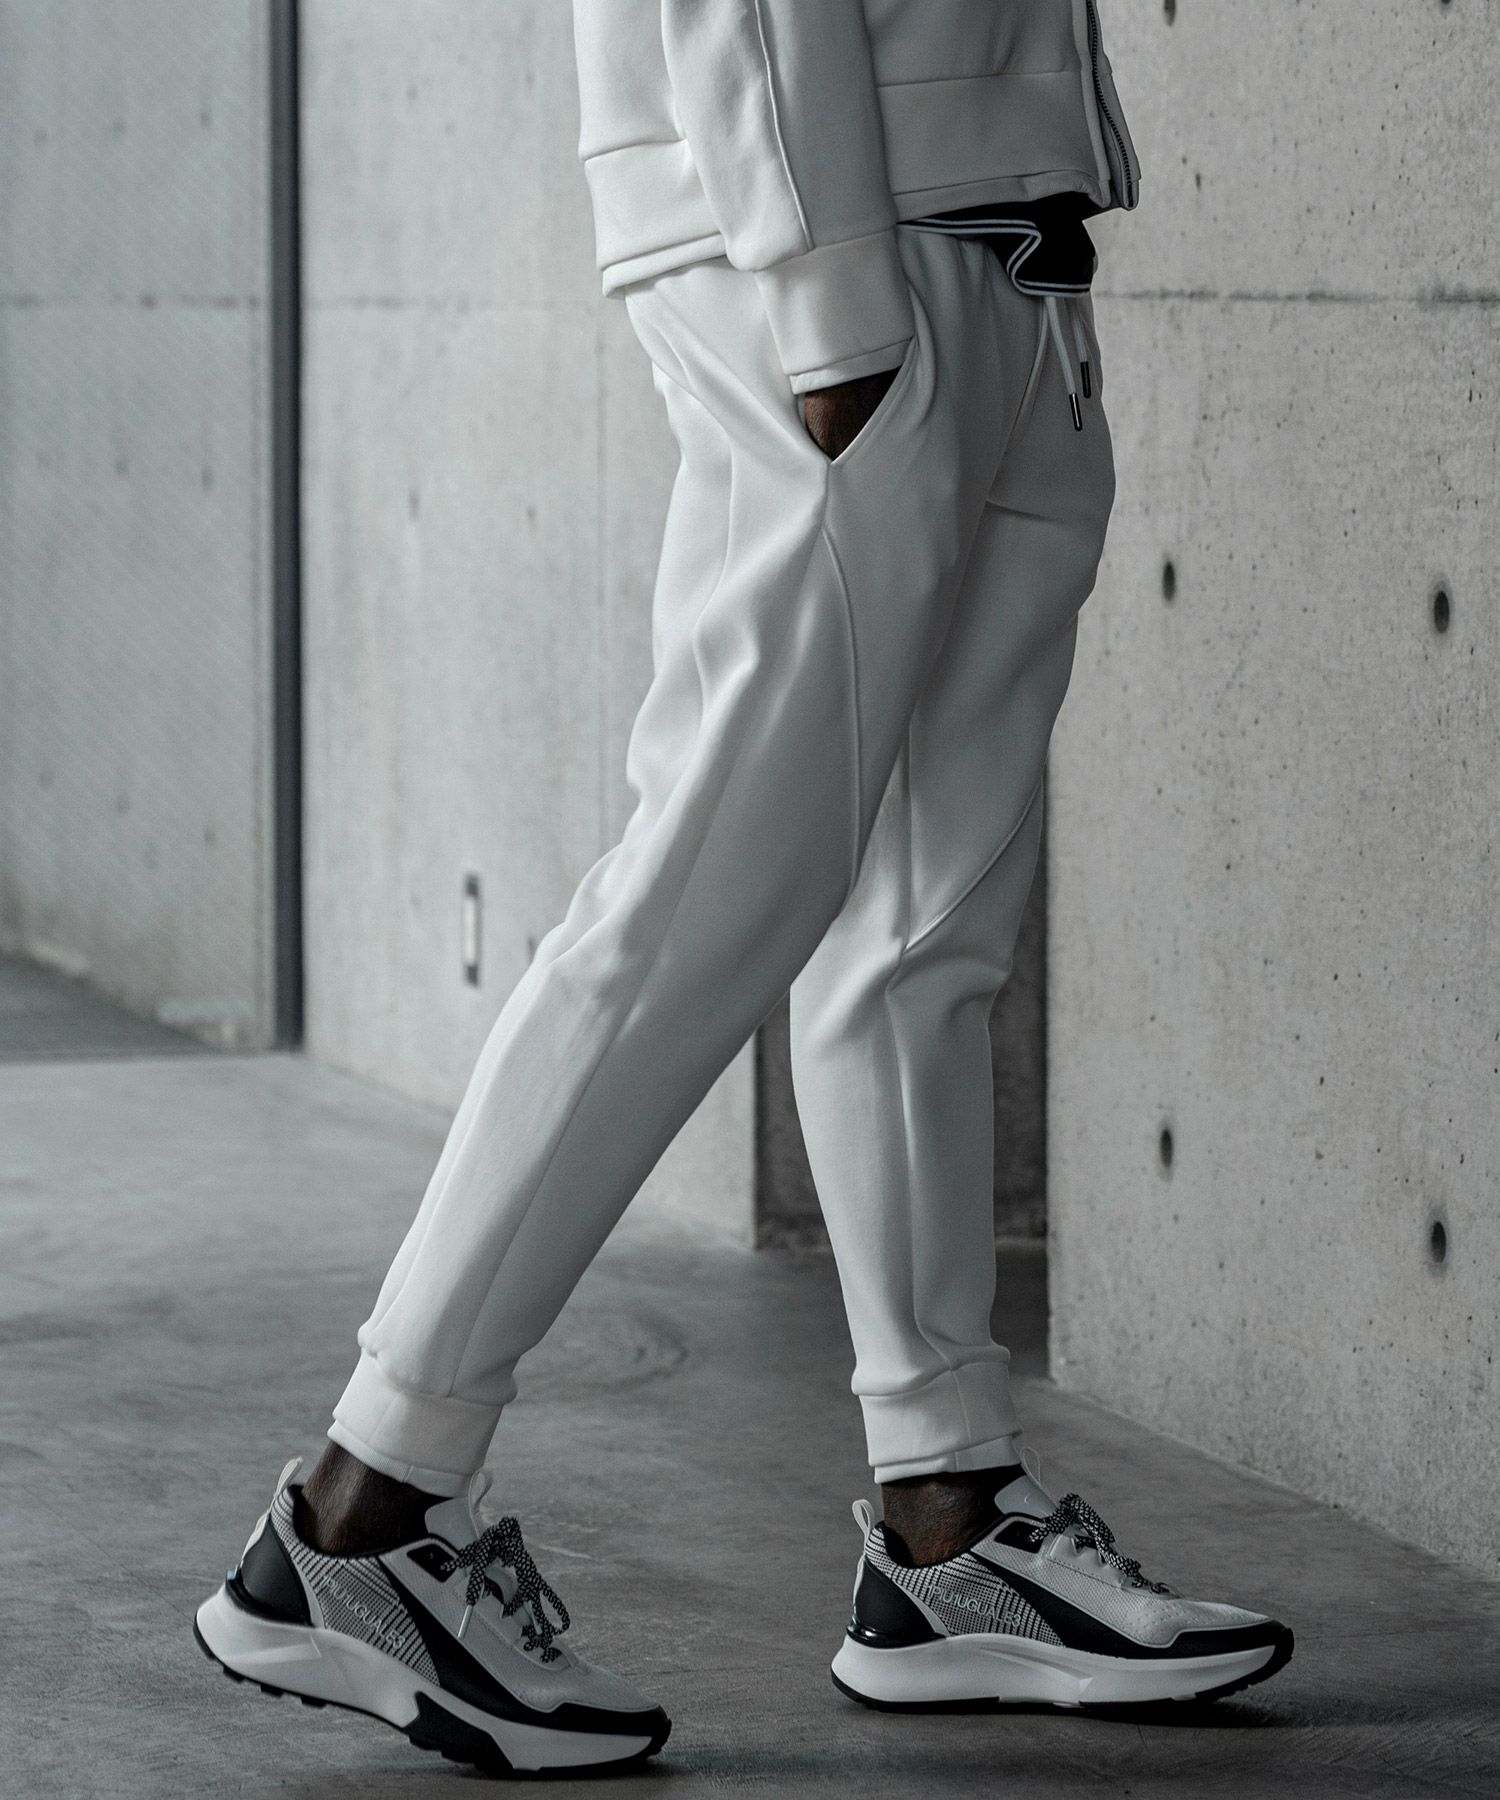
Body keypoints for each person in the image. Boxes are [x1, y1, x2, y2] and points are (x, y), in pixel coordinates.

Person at [195, 0, 1291, 1775]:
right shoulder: (831, 286)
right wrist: (827, 286)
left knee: (923, 938)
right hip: (837, 255)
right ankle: (363, 1509)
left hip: (1007, 243)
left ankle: (949, 1525)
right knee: (700, 899)